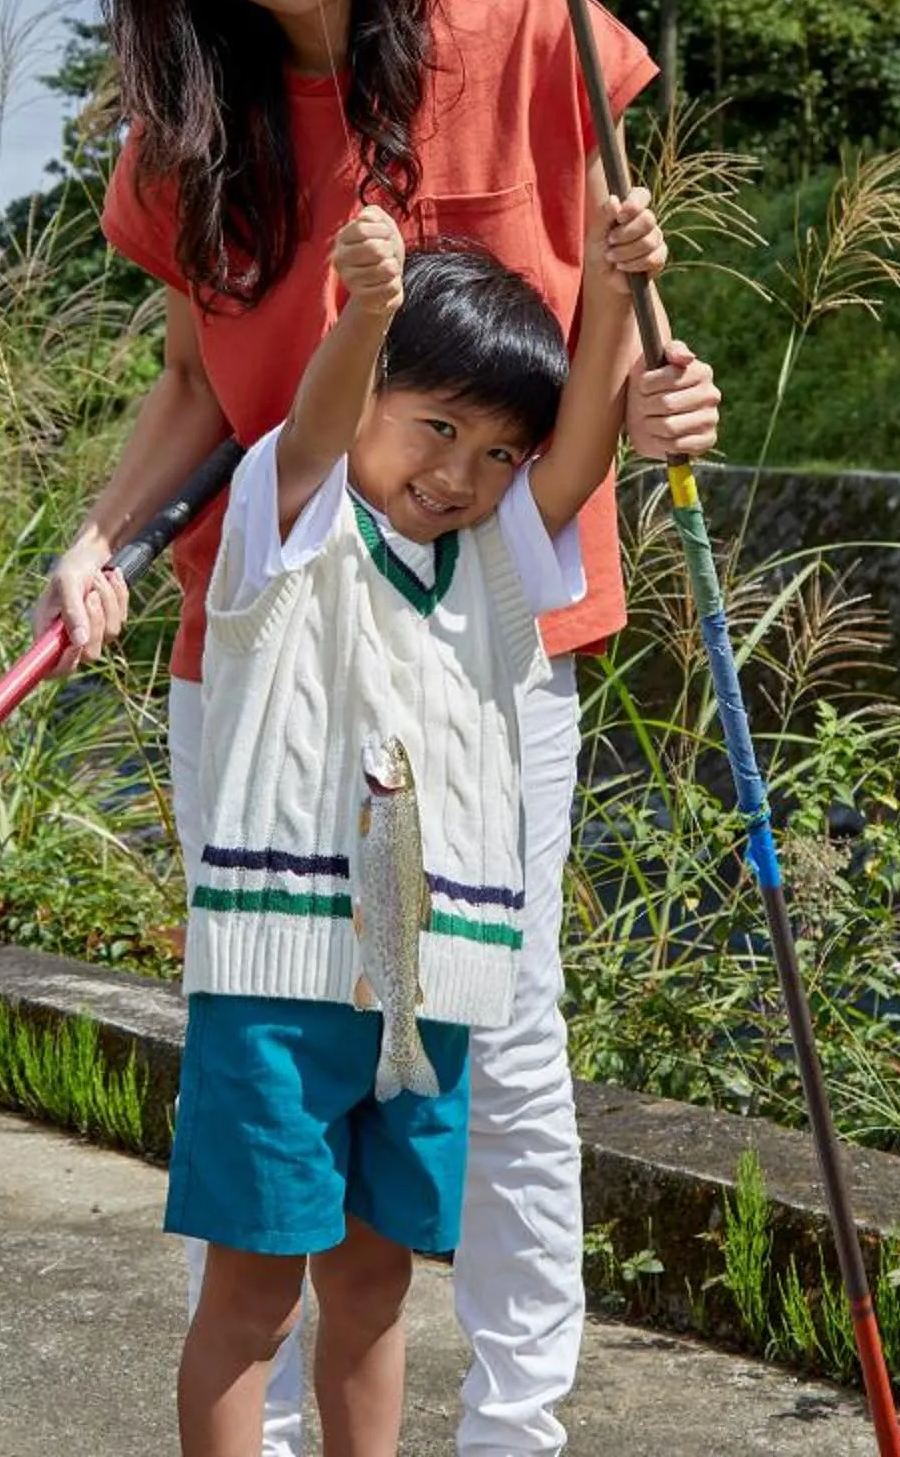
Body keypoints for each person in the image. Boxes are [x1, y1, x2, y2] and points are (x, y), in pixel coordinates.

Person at [37, 0, 721, 1456]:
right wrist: (100, 538)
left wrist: (658, 387)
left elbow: (602, 323)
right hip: (263, 659)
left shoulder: (534, 42)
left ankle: (515, 1427)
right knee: (279, 1021)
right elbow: (202, 383)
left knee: (503, 1032)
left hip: (489, 641)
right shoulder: (184, 135)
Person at [171, 201, 686, 1457]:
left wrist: (612, 289)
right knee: (251, 1296)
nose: (461, 472)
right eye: (437, 427)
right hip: (278, 992)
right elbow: (315, 429)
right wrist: (367, 312)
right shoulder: (288, 528)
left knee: (374, 1286)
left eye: (493, 453)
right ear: (372, 398)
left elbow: (575, 455)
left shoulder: (496, 576)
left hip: (429, 999)